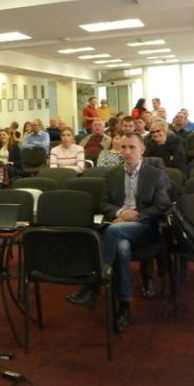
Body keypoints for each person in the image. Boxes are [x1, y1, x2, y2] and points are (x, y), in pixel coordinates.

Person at [67, 133, 171, 333]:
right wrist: (121, 212)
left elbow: (163, 205)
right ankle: (124, 306)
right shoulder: (112, 174)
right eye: (123, 147)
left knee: (114, 231)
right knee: (122, 249)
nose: (127, 151)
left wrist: (135, 215)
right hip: (119, 225)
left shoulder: (154, 174)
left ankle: (95, 284)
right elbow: (104, 204)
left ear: (142, 150)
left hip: (145, 227)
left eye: (132, 147)